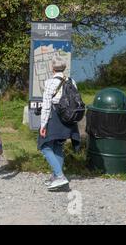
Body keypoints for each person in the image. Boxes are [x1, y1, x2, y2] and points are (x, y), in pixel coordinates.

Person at [39, 56, 81, 191]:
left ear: (52, 68)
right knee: (58, 146)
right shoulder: (72, 81)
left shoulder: (49, 82)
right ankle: (56, 177)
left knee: (44, 145)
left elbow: (46, 106)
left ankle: (60, 176)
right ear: (64, 67)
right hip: (68, 119)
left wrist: (43, 125)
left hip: (56, 117)